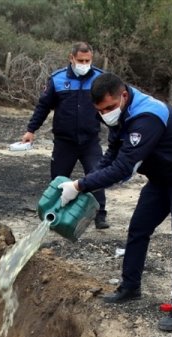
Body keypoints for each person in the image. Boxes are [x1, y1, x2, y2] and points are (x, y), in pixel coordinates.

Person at [57, 73, 172, 332]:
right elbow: (112, 155)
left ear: (124, 96)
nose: (105, 114)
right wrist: (85, 183)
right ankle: (130, 287)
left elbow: (123, 168)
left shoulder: (147, 117)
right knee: (138, 228)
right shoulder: (119, 116)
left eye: (109, 108)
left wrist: (79, 185)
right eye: (100, 110)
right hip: (161, 178)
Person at [20, 42, 110, 229]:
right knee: (58, 181)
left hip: (90, 141)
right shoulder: (57, 80)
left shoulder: (100, 79)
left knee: (97, 175)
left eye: (88, 60)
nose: (84, 63)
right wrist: (31, 130)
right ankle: (53, 215)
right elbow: (43, 106)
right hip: (64, 142)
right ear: (71, 58)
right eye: (80, 60)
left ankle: (100, 215)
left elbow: (109, 108)